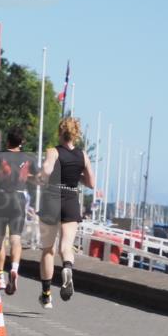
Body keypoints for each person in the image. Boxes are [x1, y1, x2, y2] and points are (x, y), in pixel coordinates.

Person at [37, 117, 95, 309]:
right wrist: (76, 173)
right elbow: (91, 183)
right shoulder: (83, 156)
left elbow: (46, 171)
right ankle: (67, 268)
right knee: (66, 247)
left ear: (60, 133)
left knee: (48, 249)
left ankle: (46, 295)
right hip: (71, 199)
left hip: (52, 198)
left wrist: (41, 177)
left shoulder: (53, 151)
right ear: (76, 134)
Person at [0, 127, 36, 295]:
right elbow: (39, 178)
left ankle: (0, 276)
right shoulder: (29, 158)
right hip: (19, 199)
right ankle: (14, 269)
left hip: (1, 198)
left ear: (7, 141)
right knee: (16, 239)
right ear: (21, 143)